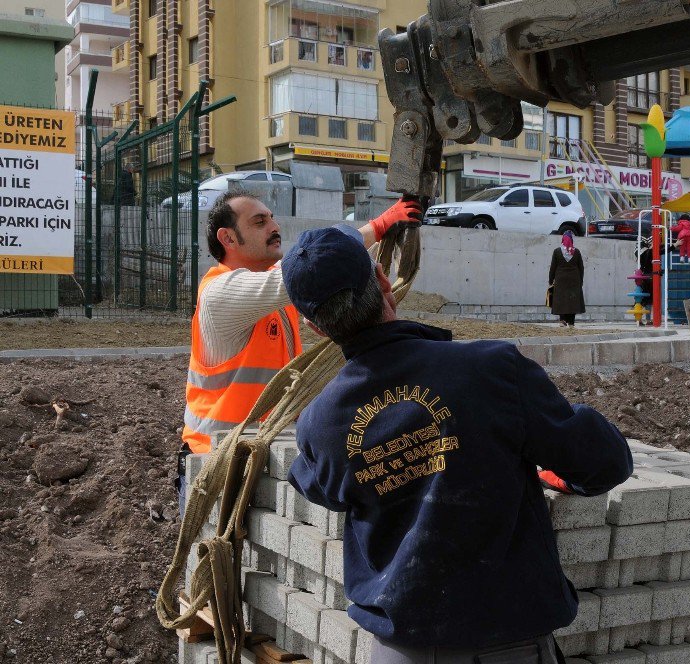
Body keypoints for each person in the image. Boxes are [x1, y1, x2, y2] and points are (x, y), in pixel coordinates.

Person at [279, 226, 632, 662]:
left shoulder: (321, 423)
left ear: (314, 327)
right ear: (384, 281)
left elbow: (319, 484)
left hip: (398, 652)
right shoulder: (490, 369)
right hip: (507, 648)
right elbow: (605, 463)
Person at [179, 190, 421, 508]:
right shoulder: (220, 293)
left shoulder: (275, 295)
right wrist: (377, 226)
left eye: (272, 218)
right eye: (259, 221)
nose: (273, 226)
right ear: (228, 238)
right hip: (211, 461)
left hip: (259, 449)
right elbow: (313, 268)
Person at [548, 231, 585, 327]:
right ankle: (571, 322)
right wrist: (581, 280)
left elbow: (553, 267)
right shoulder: (576, 252)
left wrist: (550, 280)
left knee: (561, 299)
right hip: (574, 279)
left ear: (563, 239)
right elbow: (581, 267)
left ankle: (562, 320)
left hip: (561, 279)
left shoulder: (557, 251)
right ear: (571, 240)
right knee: (573, 300)